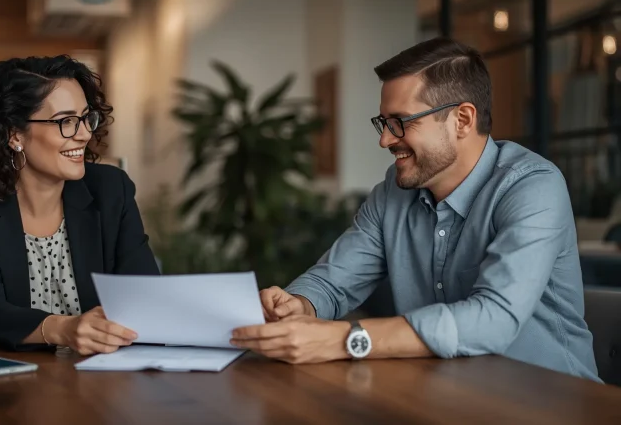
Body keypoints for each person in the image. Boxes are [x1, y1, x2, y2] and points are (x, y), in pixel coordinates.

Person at [230, 37, 600, 382]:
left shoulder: (533, 186)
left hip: (552, 400)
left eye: (401, 123)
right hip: (445, 395)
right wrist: (299, 305)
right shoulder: (393, 192)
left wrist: (346, 339)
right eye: (384, 122)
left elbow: (494, 319)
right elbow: (332, 281)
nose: (385, 139)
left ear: (463, 120)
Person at [0, 55, 160, 354]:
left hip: (103, 379)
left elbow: (145, 296)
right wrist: (64, 329)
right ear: (14, 134)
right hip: (14, 383)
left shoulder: (111, 190)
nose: (84, 134)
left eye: (85, 118)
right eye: (66, 121)